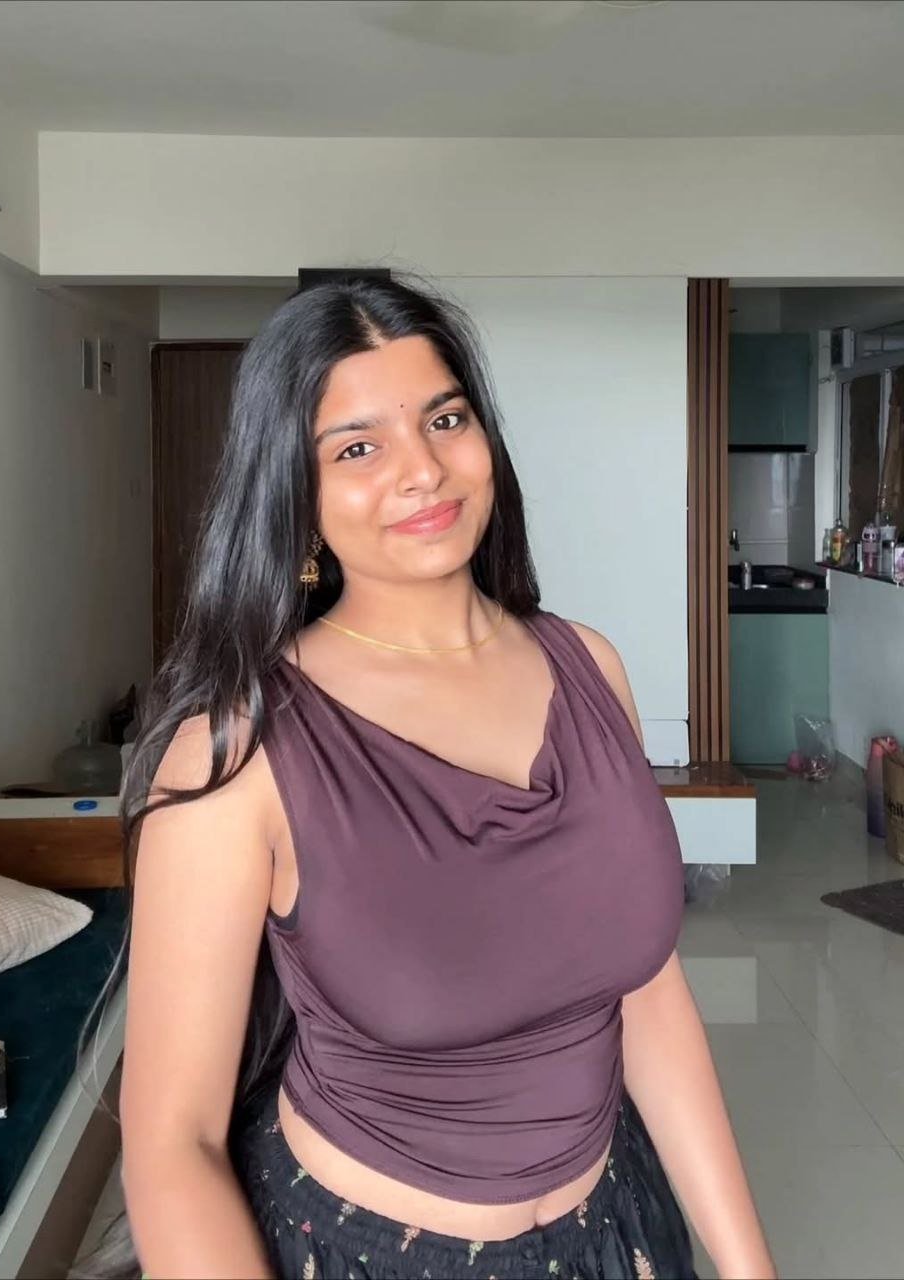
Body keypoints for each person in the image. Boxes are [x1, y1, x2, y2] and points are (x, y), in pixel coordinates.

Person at [114, 277, 775, 1280]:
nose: (422, 469)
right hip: (368, 1251)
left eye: (445, 418)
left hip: (617, 1223)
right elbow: (174, 1144)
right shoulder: (238, 751)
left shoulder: (589, 668)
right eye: (357, 447)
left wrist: (749, 1264)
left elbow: (642, 992)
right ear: (294, 493)